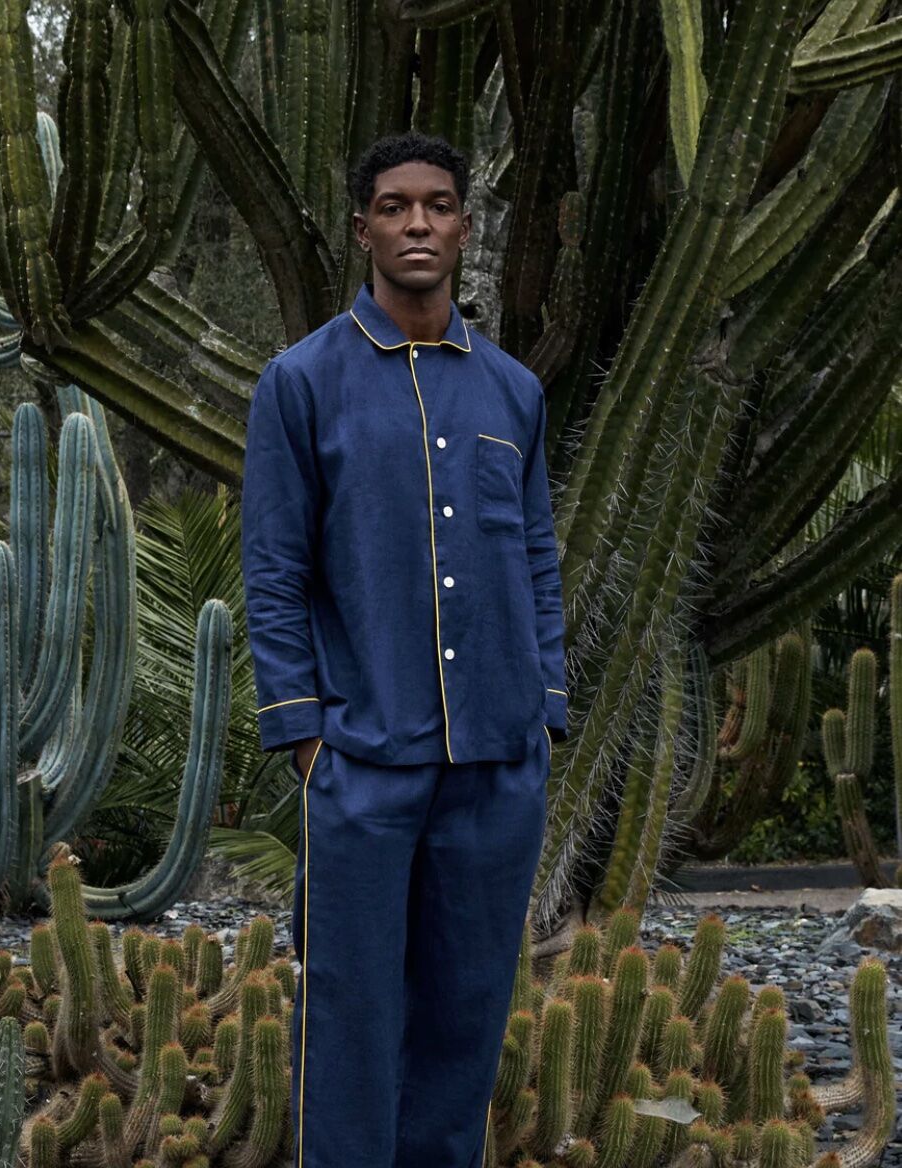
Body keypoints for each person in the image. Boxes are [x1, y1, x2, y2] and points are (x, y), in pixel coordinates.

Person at [241, 129, 569, 1168]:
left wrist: (545, 706)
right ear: (363, 229)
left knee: (466, 1023)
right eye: (394, 205)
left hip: (496, 767)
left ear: (466, 225)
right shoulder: (300, 384)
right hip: (364, 765)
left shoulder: (512, 391)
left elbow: (538, 559)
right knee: (350, 1021)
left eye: (437, 204)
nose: (417, 222)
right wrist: (307, 740)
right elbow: (276, 570)